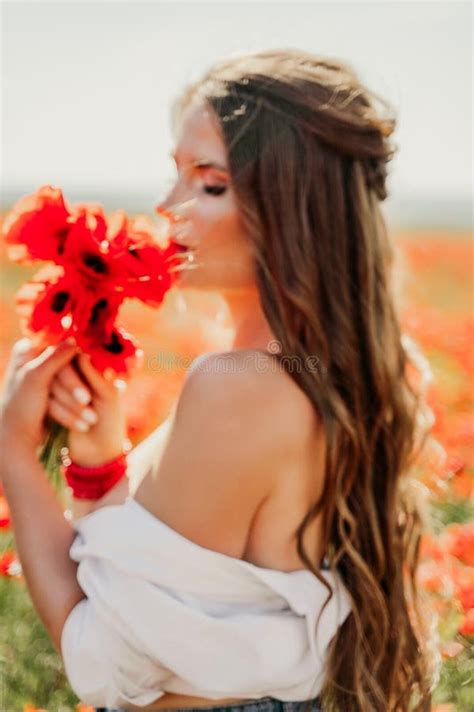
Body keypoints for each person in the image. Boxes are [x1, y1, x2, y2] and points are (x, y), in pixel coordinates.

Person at [0, 48, 437, 712]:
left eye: (209, 184)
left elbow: (112, 668)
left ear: (292, 207)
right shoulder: (323, 370)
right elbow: (151, 592)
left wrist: (12, 451)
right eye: (176, 173)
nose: (166, 206)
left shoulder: (240, 384)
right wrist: (97, 455)